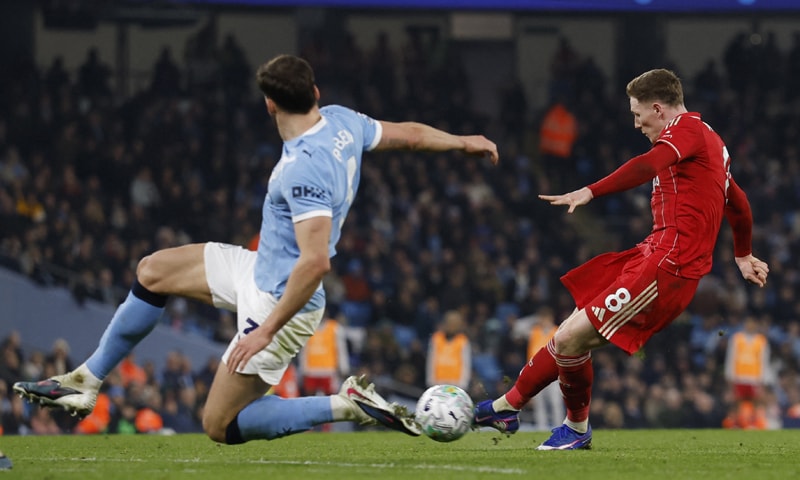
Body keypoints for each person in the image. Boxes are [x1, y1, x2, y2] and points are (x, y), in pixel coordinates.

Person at [13, 54, 499, 444]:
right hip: (255, 268)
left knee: (218, 425)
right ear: (315, 94)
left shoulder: (303, 170)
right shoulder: (341, 121)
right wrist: (462, 141)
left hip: (282, 300)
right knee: (153, 270)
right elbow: (410, 135)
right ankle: (85, 382)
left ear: (269, 104)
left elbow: (316, 262)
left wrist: (266, 331)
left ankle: (347, 404)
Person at [473, 68, 768, 450]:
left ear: (658, 109)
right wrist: (742, 254)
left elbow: (647, 166)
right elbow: (739, 204)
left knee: (570, 339)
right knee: (567, 334)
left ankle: (565, 427)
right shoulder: (711, 140)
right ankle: (508, 408)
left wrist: (590, 192)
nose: (636, 123)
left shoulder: (685, 131)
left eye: (637, 114)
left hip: (669, 266)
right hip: (653, 253)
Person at [722, 315, 772, 429]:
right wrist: (729, 376)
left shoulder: (761, 341)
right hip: (740, 376)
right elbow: (731, 358)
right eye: (748, 322)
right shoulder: (737, 339)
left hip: (754, 378)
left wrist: (763, 379)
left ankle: (754, 424)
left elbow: (764, 361)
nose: (750, 325)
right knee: (738, 402)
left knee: (756, 402)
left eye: (752, 323)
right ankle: (738, 424)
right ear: (744, 324)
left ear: (756, 325)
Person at [425, 310, 472, 390]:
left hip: (456, 384)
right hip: (437, 383)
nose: (452, 326)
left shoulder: (463, 341)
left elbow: (466, 364)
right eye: (450, 322)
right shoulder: (436, 338)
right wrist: (430, 382)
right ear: (445, 323)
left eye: (455, 323)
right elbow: (431, 360)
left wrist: (463, 384)